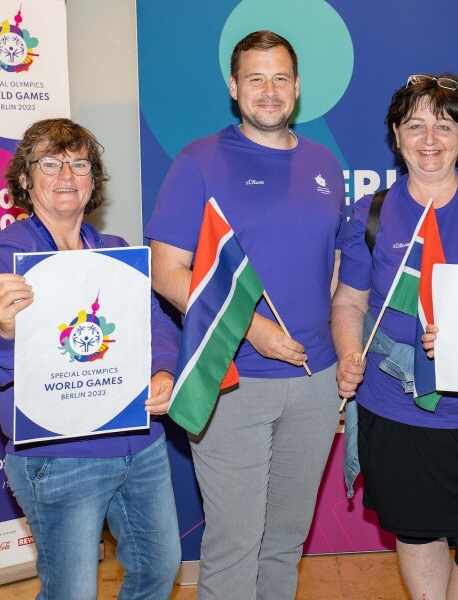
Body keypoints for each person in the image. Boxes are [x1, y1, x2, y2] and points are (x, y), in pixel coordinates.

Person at [145, 30, 345, 600]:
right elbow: (167, 271)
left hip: (314, 381)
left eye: (280, 77)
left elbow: (330, 268)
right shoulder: (198, 162)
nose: (269, 90)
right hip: (233, 381)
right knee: (235, 543)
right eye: (255, 78)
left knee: (285, 541)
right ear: (234, 88)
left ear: (298, 87)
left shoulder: (324, 164)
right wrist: (252, 330)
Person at [332, 72, 458, 599]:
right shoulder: (371, 213)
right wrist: (349, 352)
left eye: (444, 126)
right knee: (416, 528)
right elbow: (350, 301)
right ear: (395, 135)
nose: (430, 140)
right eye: (415, 125)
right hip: (394, 409)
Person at [0, 118, 182, 599]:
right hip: (58, 458)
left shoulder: (115, 252)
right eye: (50, 163)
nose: (67, 175)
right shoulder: (3, 261)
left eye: (79, 164)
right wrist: (3, 329)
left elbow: (157, 325)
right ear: (25, 179)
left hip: (139, 445)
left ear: (93, 180)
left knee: (159, 570)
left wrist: (163, 369)